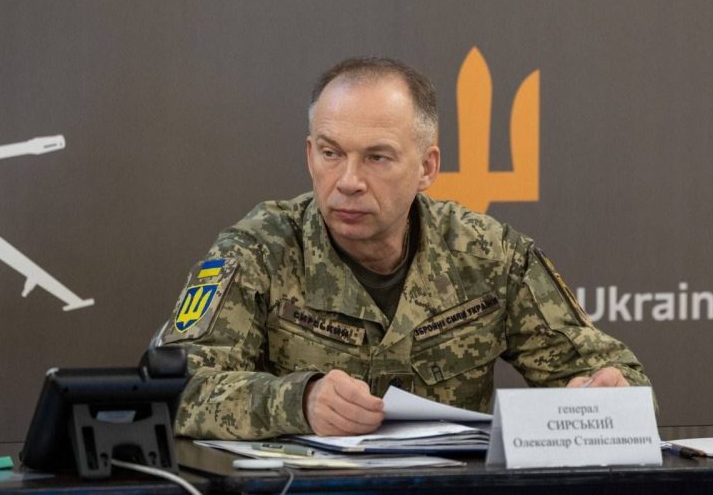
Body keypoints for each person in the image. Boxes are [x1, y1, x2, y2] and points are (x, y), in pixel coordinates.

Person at [155, 57, 651, 440]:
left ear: (427, 167)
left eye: (377, 158)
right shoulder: (260, 249)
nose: (348, 181)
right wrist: (299, 402)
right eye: (331, 153)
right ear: (310, 155)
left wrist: (606, 396)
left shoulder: (490, 255)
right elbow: (173, 390)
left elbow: (623, 383)